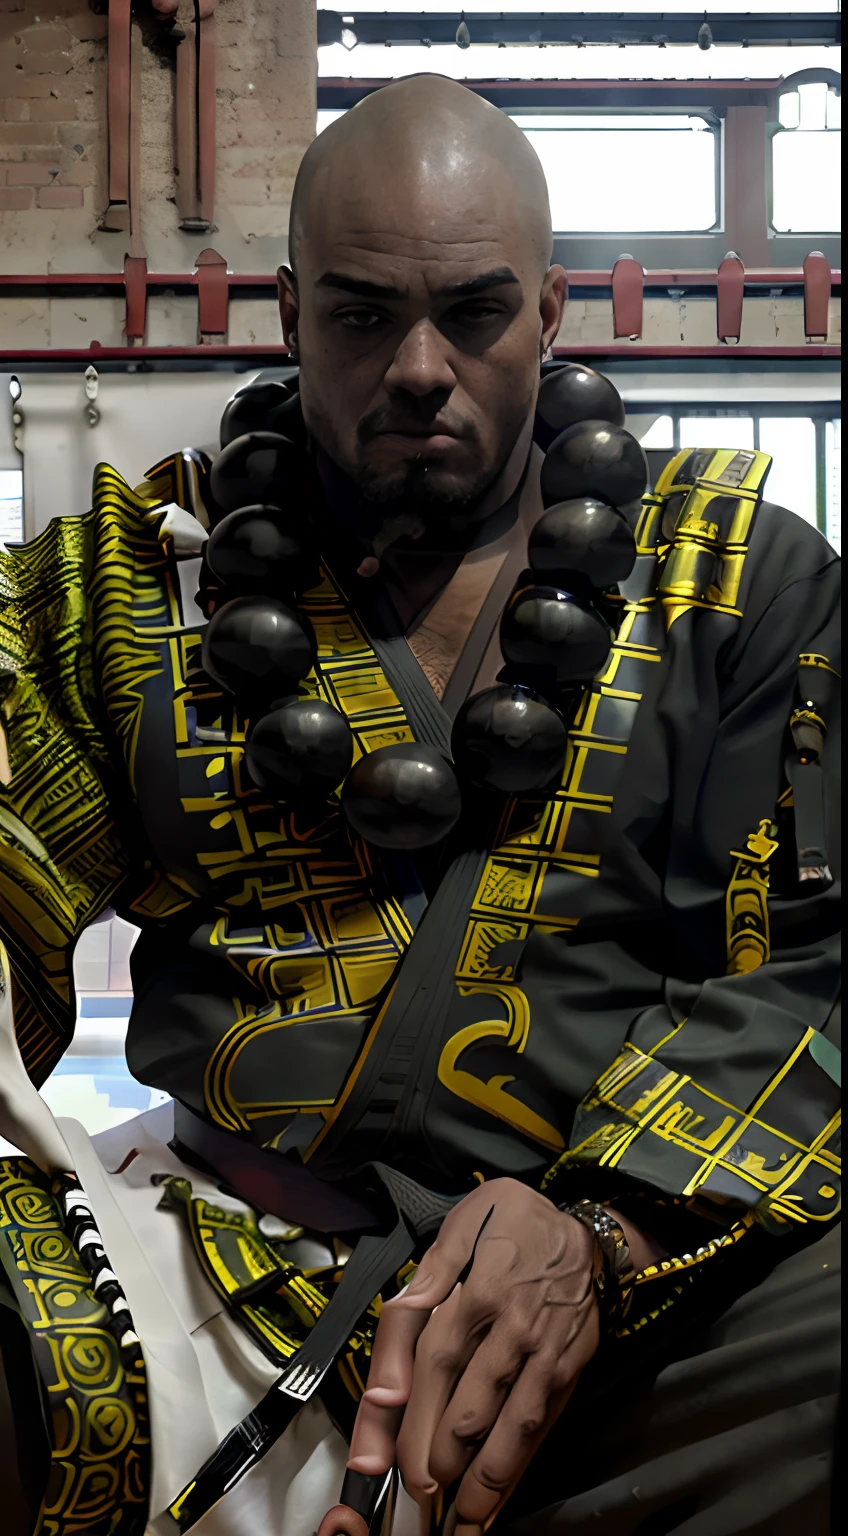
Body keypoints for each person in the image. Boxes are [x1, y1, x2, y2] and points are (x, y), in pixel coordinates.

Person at [0, 74, 840, 1536]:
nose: (420, 367)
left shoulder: (738, 580)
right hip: (212, 1273)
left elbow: (823, 964)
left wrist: (604, 1228)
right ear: (287, 313)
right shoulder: (129, 590)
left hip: (637, 1279)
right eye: (364, 314)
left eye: (474, 311)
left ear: (553, 314)